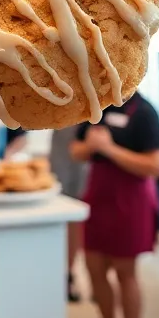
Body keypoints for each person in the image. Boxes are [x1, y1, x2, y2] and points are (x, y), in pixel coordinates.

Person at [72, 93, 159, 318]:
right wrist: (91, 146)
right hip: (98, 195)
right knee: (94, 267)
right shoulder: (95, 104)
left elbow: (154, 165)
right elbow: (76, 151)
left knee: (126, 271)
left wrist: (110, 149)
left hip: (130, 197)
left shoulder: (144, 112)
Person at [50, 126, 89, 302]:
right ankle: (63, 273)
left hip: (89, 146)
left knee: (79, 214)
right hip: (64, 144)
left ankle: (71, 272)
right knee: (63, 211)